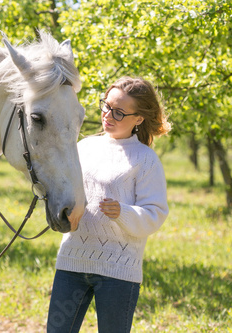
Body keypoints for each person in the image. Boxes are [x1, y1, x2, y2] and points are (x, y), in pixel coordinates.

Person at [47, 77, 171, 333]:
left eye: (119, 112)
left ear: (139, 118)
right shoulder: (83, 147)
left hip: (119, 270)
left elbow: (155, 213)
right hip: (72, 260)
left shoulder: (145, 160)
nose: (108, 115)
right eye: (106, 106)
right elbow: (64, 190)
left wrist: (123, 213)